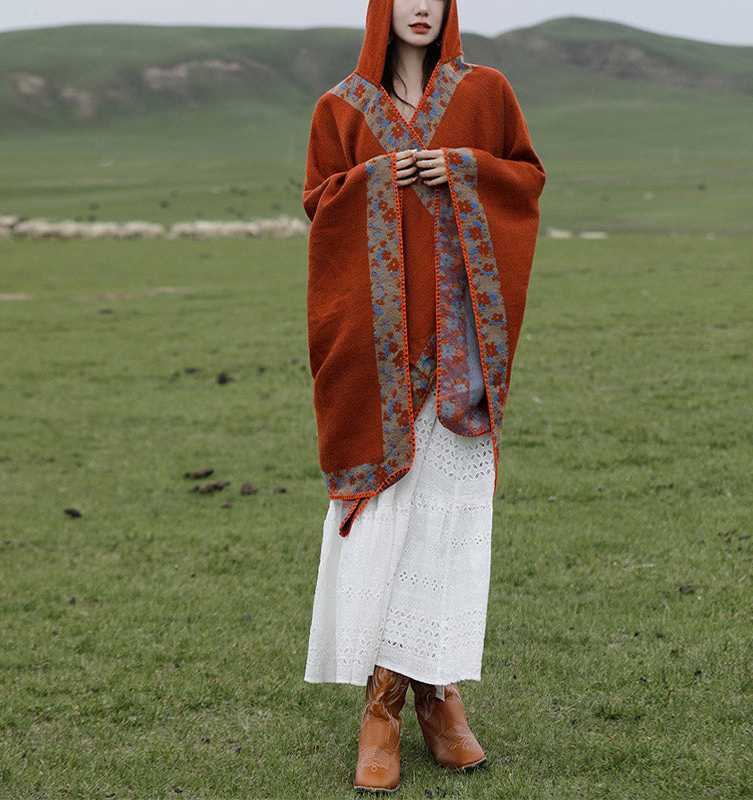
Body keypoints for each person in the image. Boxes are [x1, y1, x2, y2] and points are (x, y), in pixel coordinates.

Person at [302, 0, 545, 792]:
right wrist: (375, 178)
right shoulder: (340, 106)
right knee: (388, 524)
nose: (418, 8)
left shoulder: (486, 91)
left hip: (461, 352)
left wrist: (464, 169)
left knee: (449, 524)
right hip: (378, 355)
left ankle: (437, 697)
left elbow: (527, 178)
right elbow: (319, 204)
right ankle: (385, 708)